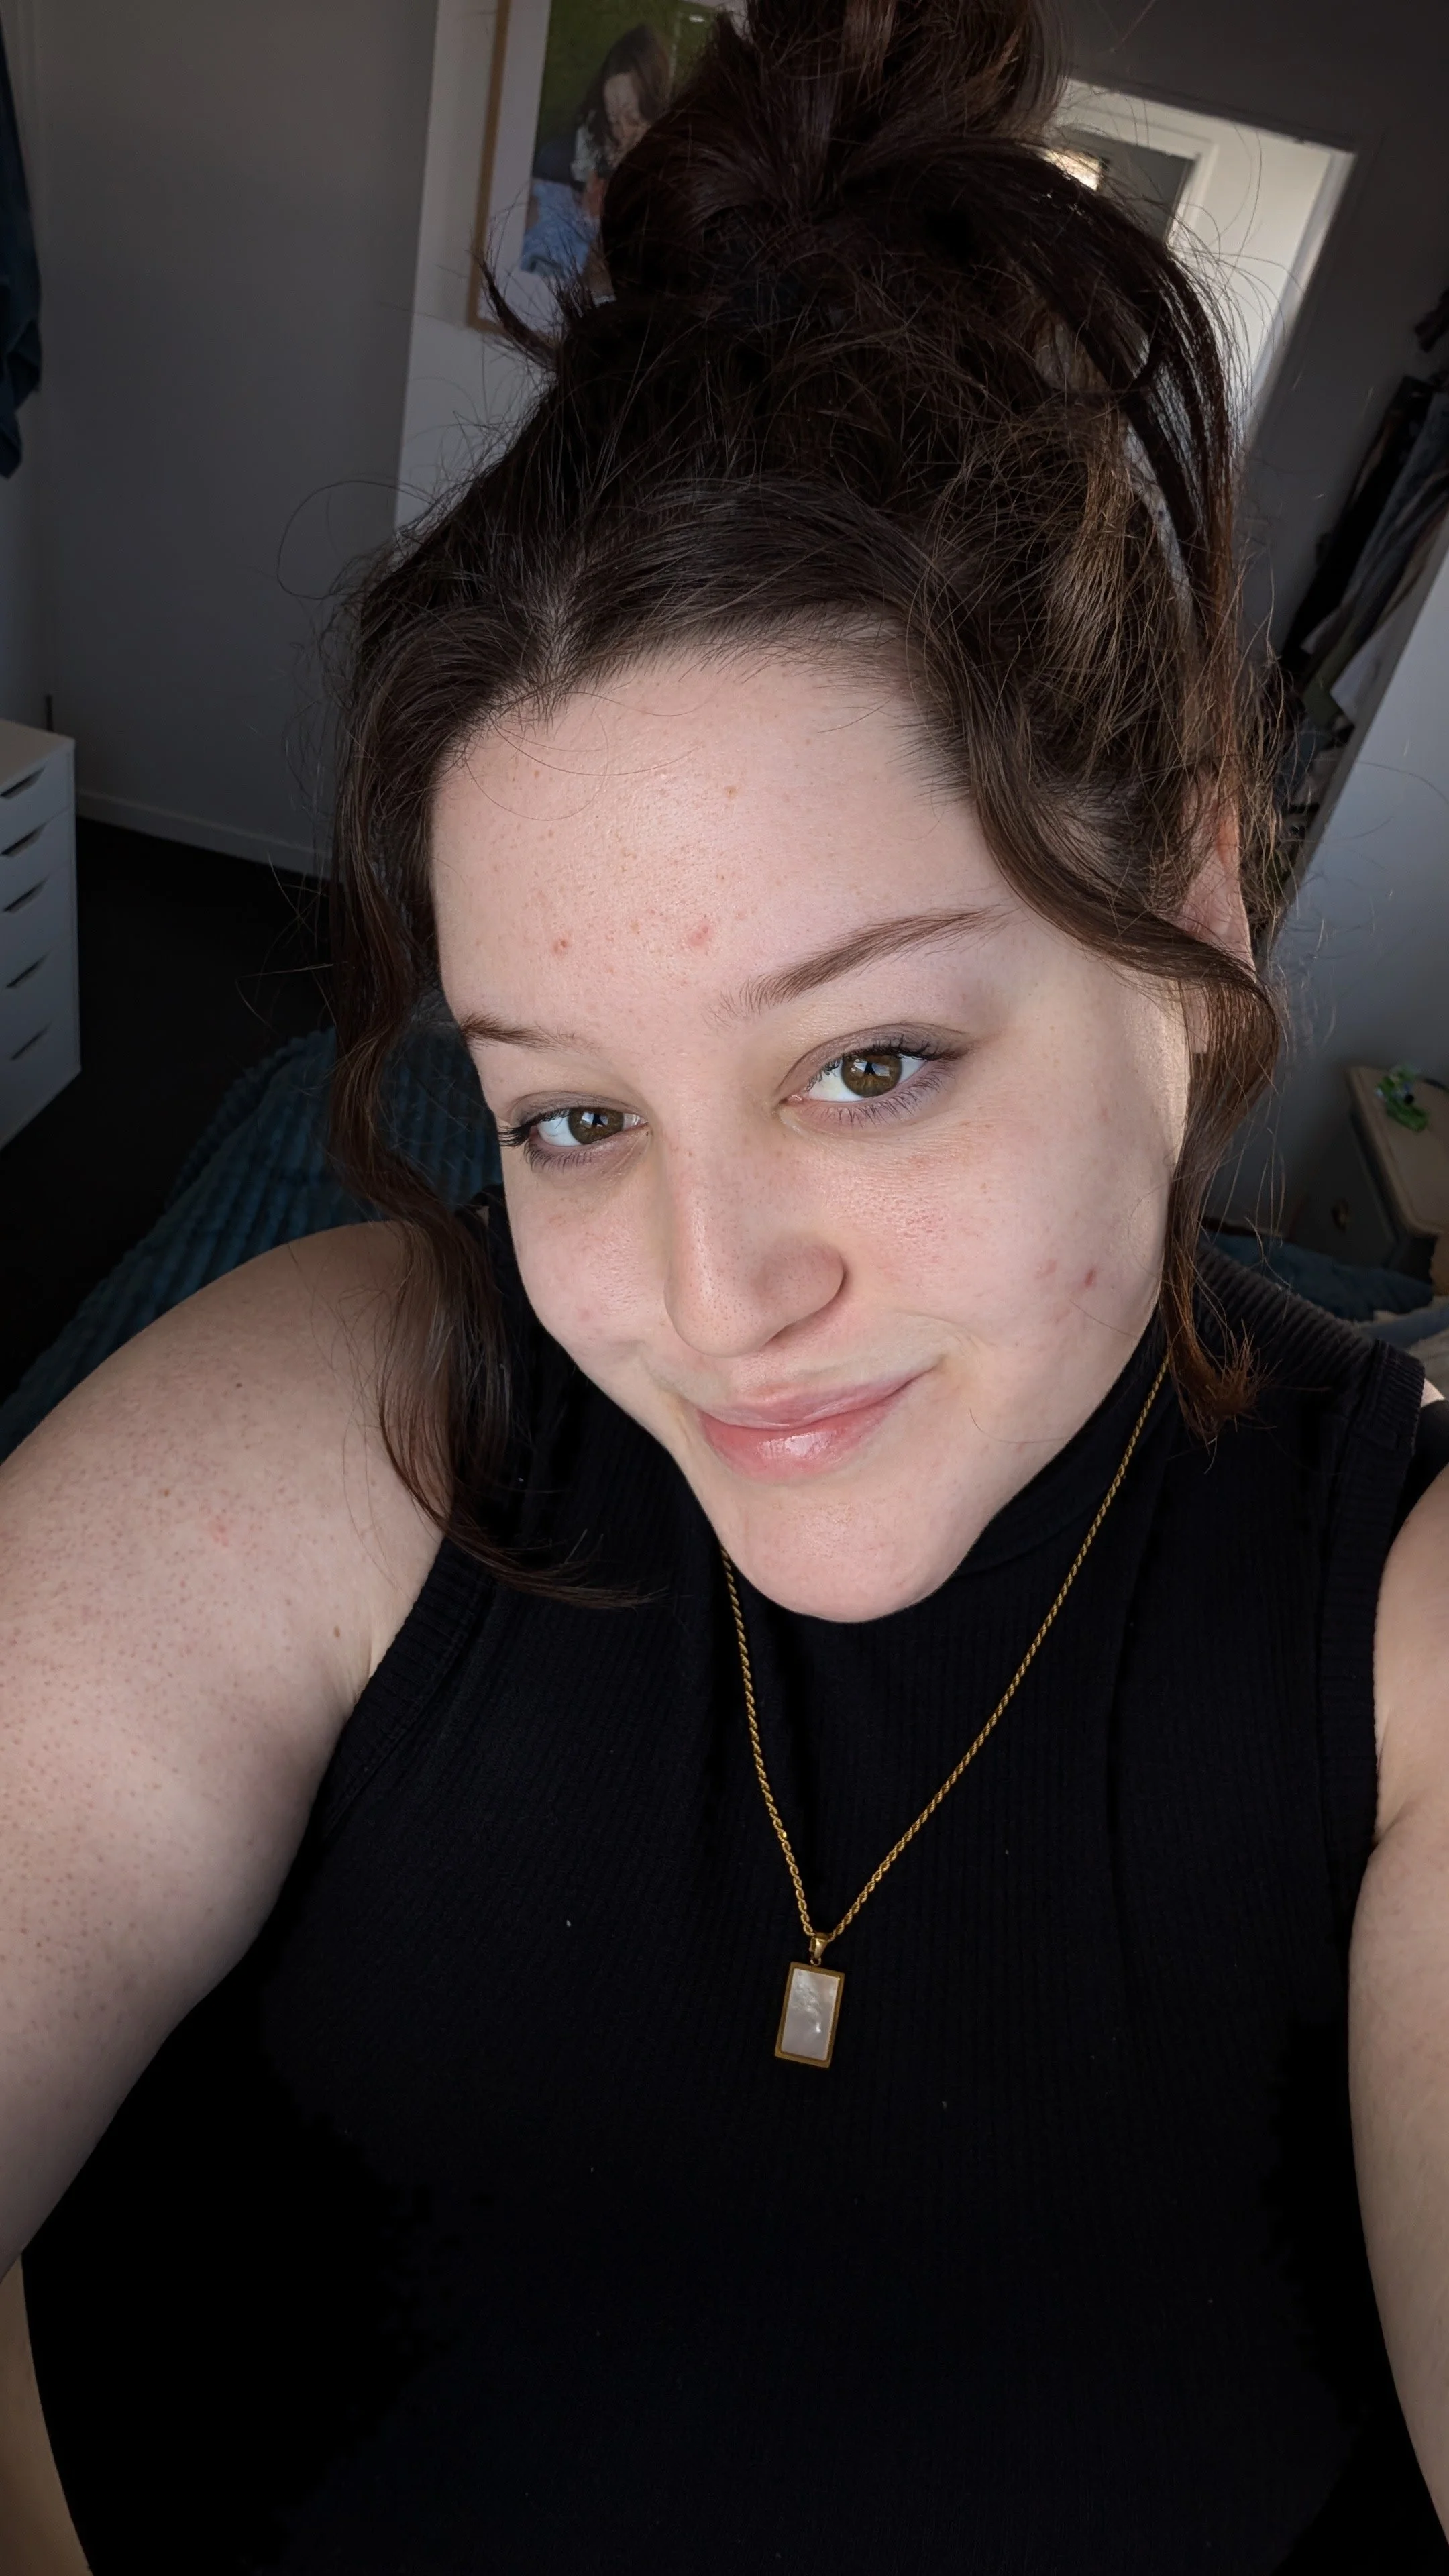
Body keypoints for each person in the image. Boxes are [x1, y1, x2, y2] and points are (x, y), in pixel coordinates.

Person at [4, 0, 1449, 2566]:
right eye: (568, 1110)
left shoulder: (1405, 1631)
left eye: (869, 1062)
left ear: (1200, 920)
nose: (701, 1291)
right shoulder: (355, 1420)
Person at [521, 23, 671, 282]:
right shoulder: (569, 153)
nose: (622, 131)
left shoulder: (669, 160)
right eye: (614, 118)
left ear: (655, 111)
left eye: (633, 120)